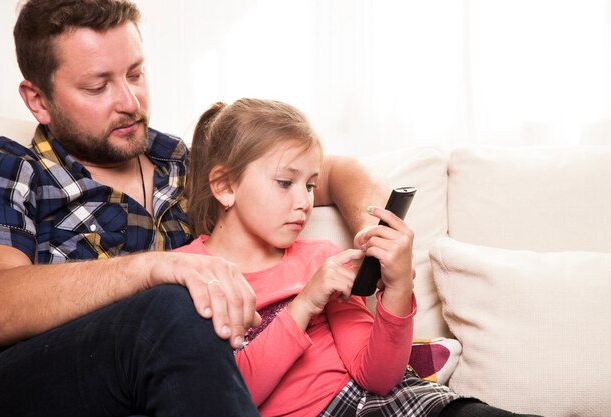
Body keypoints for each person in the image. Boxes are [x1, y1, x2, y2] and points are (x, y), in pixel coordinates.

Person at [0, 1, 387, 416]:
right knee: (173, 303)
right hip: (42, 381)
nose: (129, 101)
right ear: (38, 100)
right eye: (97, 87)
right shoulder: (10, 168)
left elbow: (335, 172)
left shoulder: (178, 163)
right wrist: (152, 269)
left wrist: (375, 236)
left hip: (173, 384)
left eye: (136, 74)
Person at [175, 98, 543, 417]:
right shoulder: (186, 273)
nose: (304, 202)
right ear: (224, 186)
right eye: (285, 183)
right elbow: (227, 395)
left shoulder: (322, 258)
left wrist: (397, 288)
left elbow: (378, 377)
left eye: (310, 185)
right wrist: (304, 305)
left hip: (378, 403)